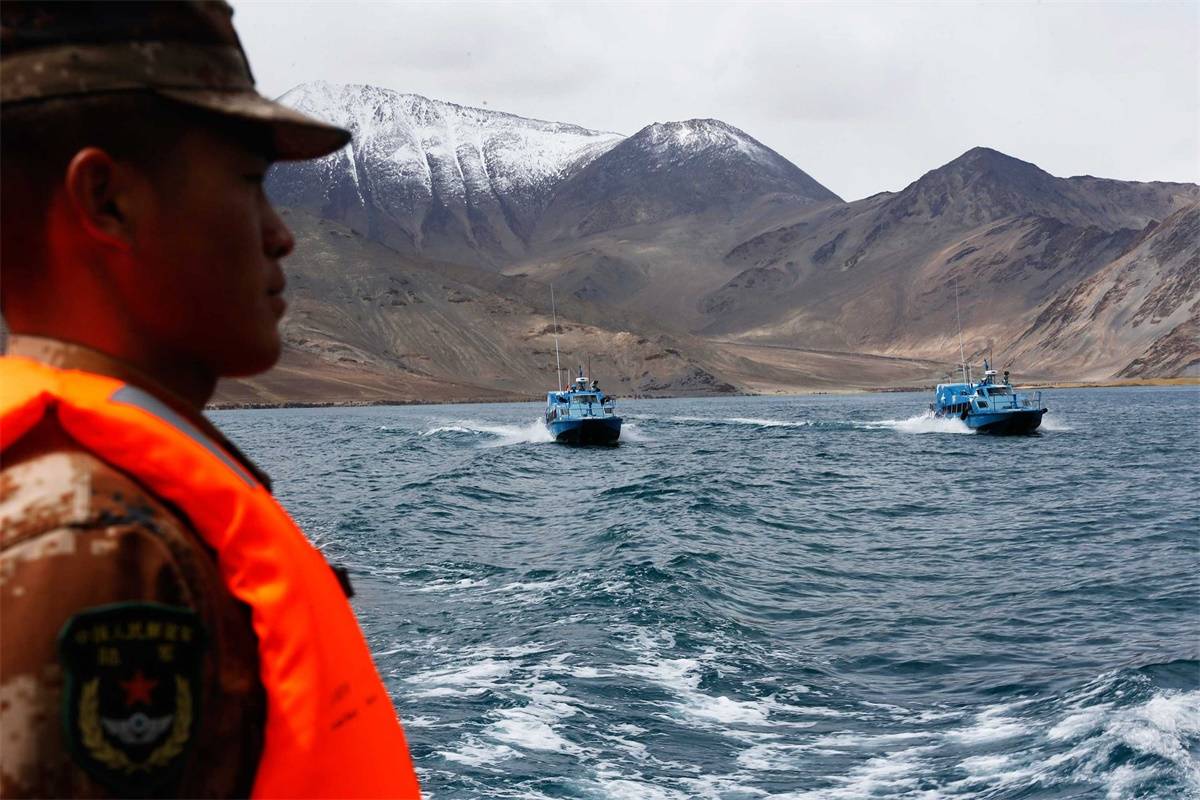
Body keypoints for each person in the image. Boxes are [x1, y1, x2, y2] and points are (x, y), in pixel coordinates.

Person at [0, 2, 421, 797]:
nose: (280, 234)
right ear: (107, 201)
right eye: (250, 184)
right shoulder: (97, 544)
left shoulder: (93, 500)